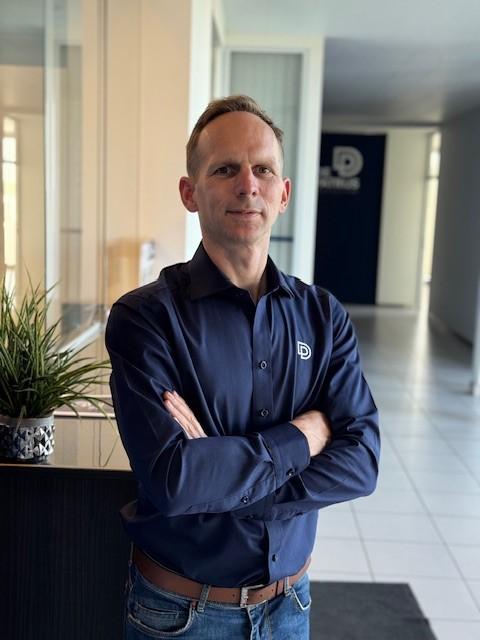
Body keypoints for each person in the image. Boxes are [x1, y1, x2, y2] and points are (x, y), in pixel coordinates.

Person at [105, 95, 380, 639]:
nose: (248, 185)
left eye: (263, 170)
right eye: (225, 169)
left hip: (290, 606)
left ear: (284, 193)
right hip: (179, 616)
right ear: (190, 192)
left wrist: (223, 479)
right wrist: (304, 437)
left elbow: (362, 461)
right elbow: (174, 480)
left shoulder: (323, 316)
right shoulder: (145, 319)